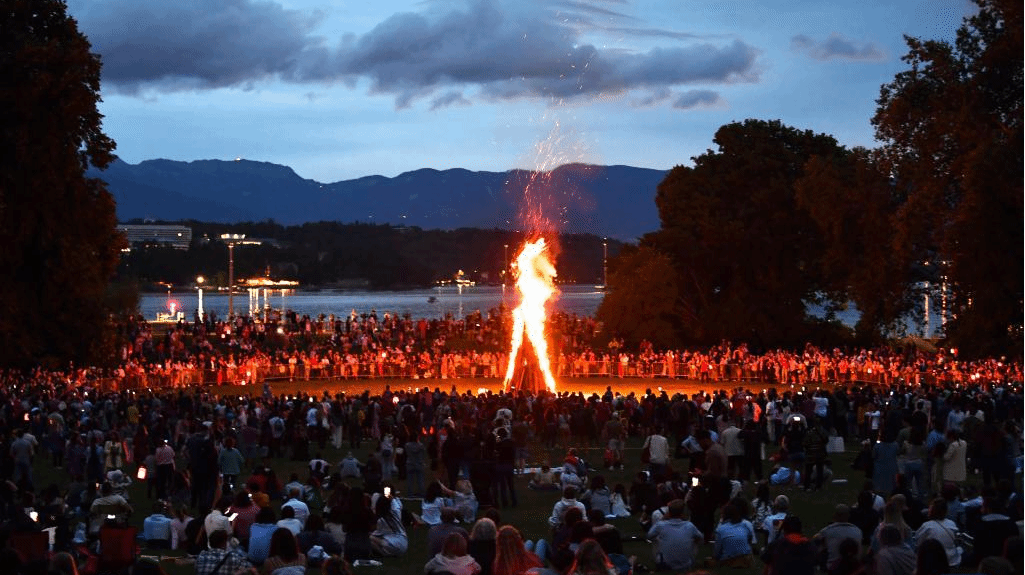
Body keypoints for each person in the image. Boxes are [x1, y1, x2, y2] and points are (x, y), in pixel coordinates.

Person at [645, 499, 703, 571]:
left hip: (664, 564)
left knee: (656, 539)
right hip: (686, 565)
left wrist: (663, 519)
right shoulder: (689, 526)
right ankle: (686, 557)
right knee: (695, 539)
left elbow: (649, 535)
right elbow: (701, 538)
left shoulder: (661, 525)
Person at [912, 498, 962, 568]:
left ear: (933, 510)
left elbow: (918, 543)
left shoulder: (927, 526)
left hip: (934, 562)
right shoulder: (951, 523)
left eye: (930, 508)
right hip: (952, 559)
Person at [814, 504, 863, 575]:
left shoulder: (827, 531)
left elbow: (815, 542)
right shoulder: (858, 531)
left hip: (832, 568)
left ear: (835, 515)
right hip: (854, 567)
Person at [711, 499, 755, 568]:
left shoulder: (721, 529)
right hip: (746, 558)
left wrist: (715, 557)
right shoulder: (745, 525)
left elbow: (717, 550)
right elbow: (750, 541)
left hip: (728, 559)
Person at [370, 491, 407, 557]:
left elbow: (376, 534)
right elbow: (393, 501)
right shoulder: (395, 514)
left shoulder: (381, 521)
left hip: (393, 545)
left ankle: (383, 553)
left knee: (370, 538)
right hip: (404, 543)